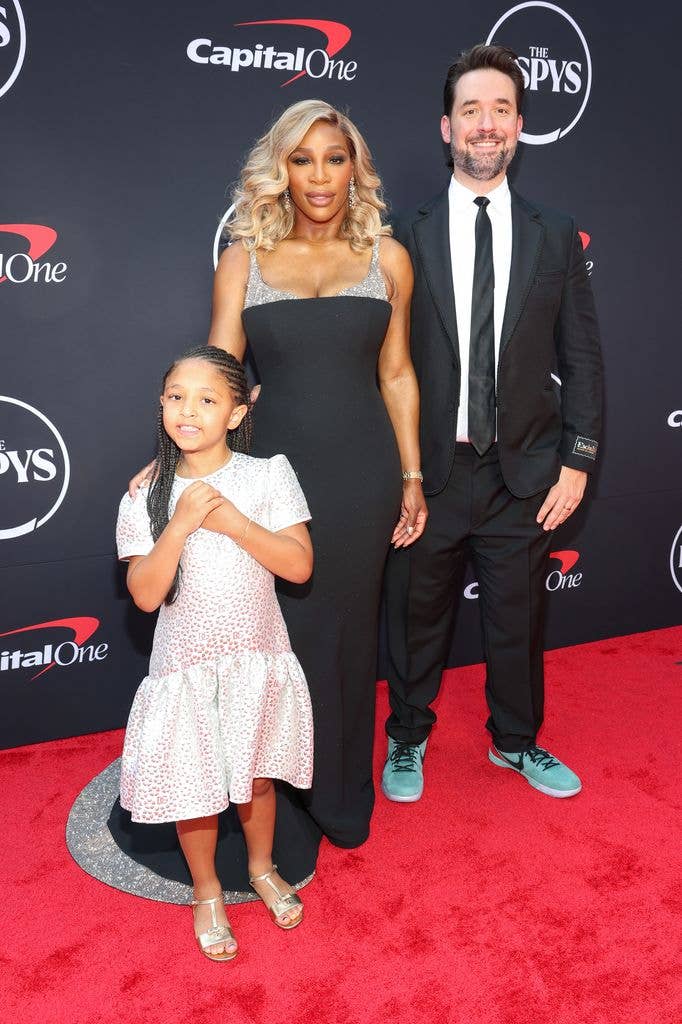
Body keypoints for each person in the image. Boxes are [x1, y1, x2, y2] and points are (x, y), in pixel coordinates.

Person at [125, 100, 426, 862]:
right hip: (271, 480)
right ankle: (274, 802)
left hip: (364, 475)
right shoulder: (244, 257)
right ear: (280, 169)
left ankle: (341, 797)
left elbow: (396, 373)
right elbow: (221, 374)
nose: (320, 175)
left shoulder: (388, 257)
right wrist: (168, 455)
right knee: (274, 640)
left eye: (334, 157)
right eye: (302, 159)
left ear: (354, 166)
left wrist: (413, 474)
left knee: (351, 640)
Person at [382, 44, 603, 803]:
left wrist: (577, 461)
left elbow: (583, 360)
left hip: (524, 472)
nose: (486, 125)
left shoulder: (555, 234)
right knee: (416, 615)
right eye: (471, 110)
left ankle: (517, 742)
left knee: (517, 619)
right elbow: (373, 357)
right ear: (447, 127)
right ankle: (406, 735)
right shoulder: (398, 234)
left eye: (501, 110)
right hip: (429, 470)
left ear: (519, 127)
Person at [116, 345, 315, 961]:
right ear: (161, 405)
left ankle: (260, 868)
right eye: (176, 396)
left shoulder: (268, 475)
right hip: (186, 668)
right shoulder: (143, 495)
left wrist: (233, 523)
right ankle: (206, 891)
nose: (189, 410)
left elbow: (300, 565)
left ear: (236, 412)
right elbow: (145, 596)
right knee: (193, 785)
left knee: (256, 777)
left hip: (257, 657)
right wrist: (177, 524)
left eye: (207, 399)